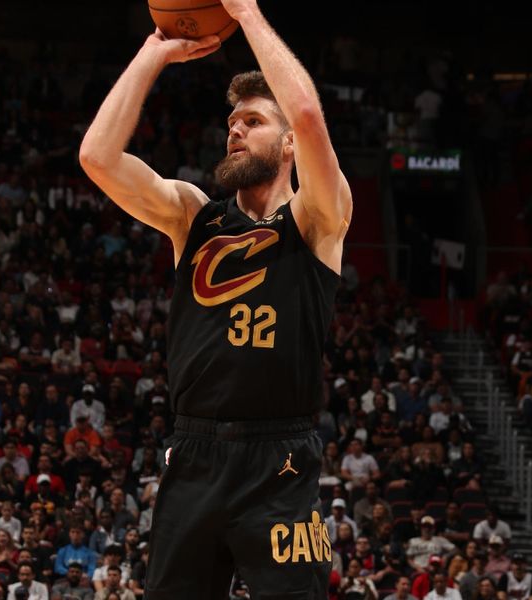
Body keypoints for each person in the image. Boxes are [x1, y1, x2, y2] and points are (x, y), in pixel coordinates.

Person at [81, 0, 352, 595]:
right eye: (232, 122)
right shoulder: (191, 216)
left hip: (280, 460)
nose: (234, 129)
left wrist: (248, 14)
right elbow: (97, 157)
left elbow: (306, 112)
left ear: (287, 146)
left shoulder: (316, 219)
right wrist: (153, 54)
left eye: (253, 121)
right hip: (194, 450)